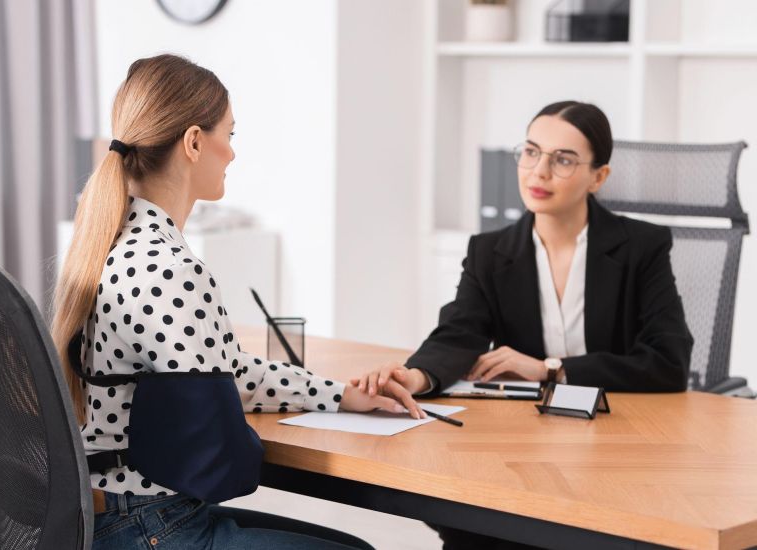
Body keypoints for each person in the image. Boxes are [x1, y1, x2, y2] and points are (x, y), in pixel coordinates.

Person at [51, 54, 417, 550]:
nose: (233, 153)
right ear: (195, 142)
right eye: (231, 134)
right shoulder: (171, 268)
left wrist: (338, 395)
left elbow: (220, 372)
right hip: (148, 525)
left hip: (107, 511)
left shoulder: (114, 243)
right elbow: (223, 455)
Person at [351, 100, 693, 549]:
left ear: (599, 177)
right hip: (529, 449)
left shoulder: (642, 247)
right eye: (530, 152)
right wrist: (414, 376)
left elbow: (668, 361)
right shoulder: (490, 251)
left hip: (624, 452)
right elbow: (460, 331)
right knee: (472, 524)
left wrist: (550, 369)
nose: (539, 171)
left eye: (563, 159)